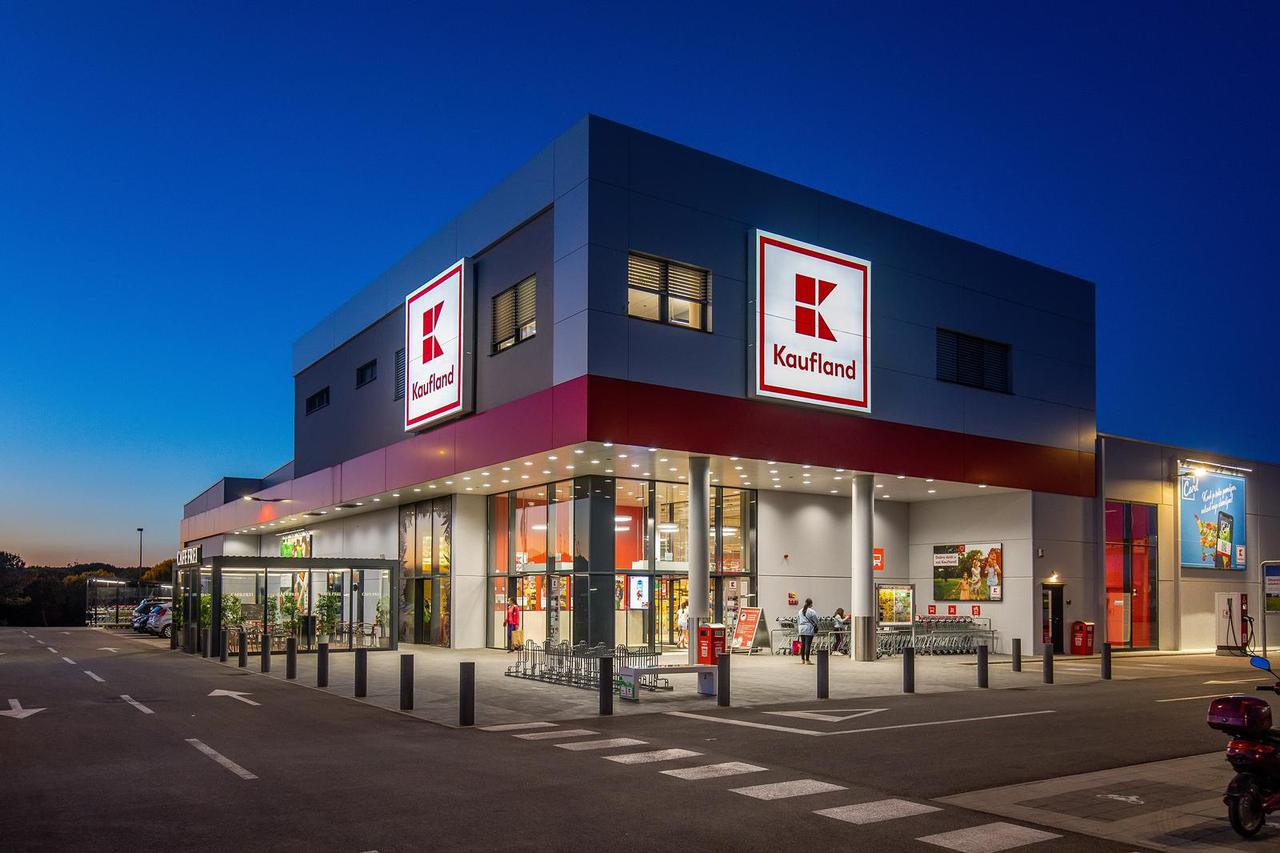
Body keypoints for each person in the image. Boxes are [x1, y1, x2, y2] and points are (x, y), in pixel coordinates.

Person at [797, 598, 819, 664]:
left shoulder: (800, 611)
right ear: (811, 604)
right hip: (808, 628)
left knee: (803, 644)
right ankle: (807, 660)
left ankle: (802, 660)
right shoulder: (812, 611)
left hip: (801, 628)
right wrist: (815, 624)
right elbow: (816, 620)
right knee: (808, 645)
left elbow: (798, 619)